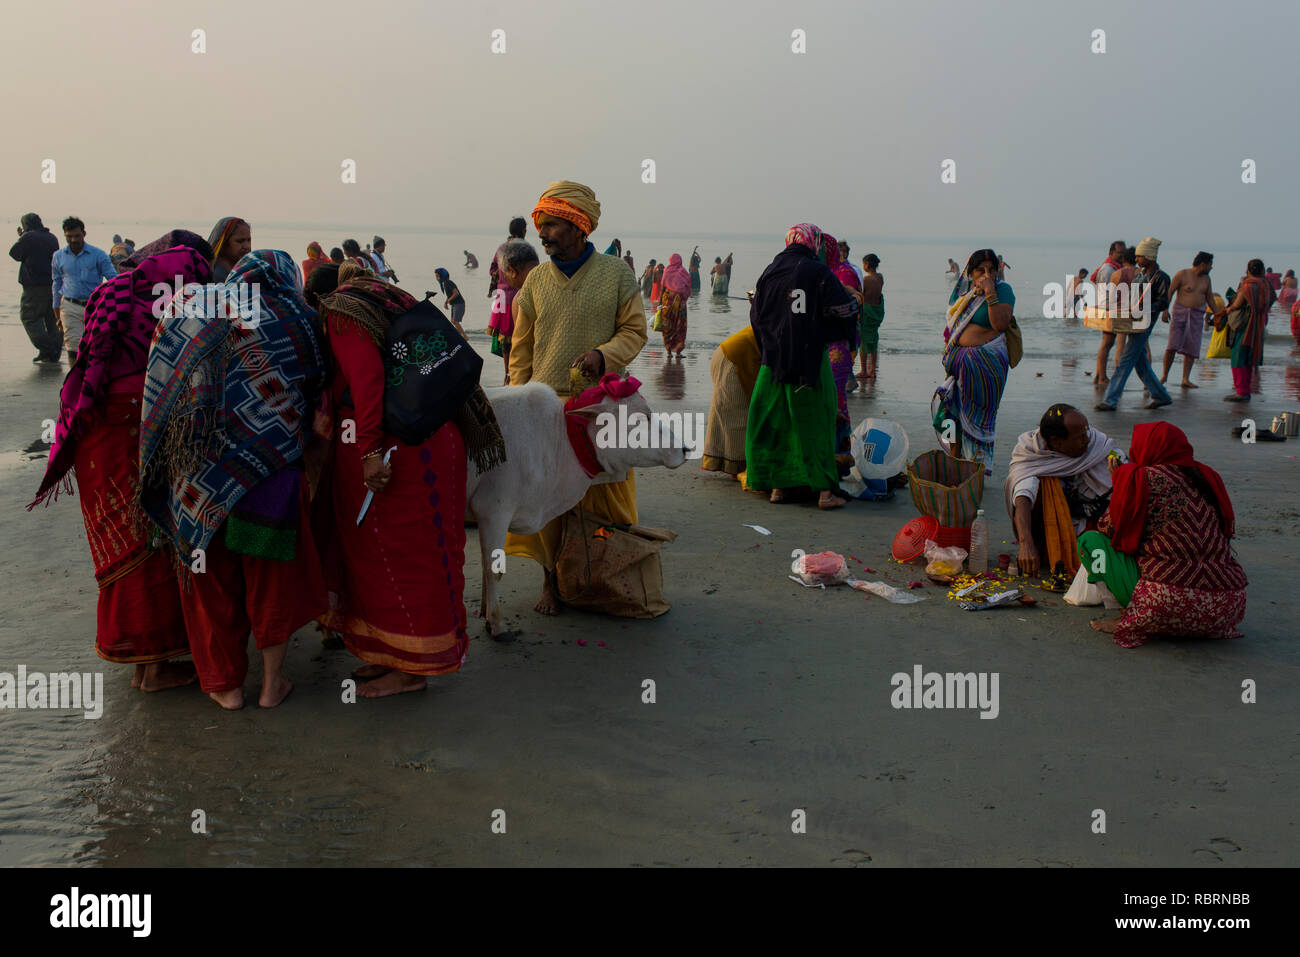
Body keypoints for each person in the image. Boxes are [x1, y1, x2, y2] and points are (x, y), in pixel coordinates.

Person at [139, 250, 328, 710]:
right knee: (270, 580)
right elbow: (317, 386)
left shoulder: (190, 308)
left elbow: (159, 382)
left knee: (210, 582)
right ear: (283, 278)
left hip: (199, 480)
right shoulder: (297, 316)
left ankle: (224, 687)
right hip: (268, 475)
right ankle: (271, 686)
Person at [31, 240, 215, 691]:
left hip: (93, 432)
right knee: (149, 538)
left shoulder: (114, 294)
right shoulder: (176, 302)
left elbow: (90, 366)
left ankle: (141, 662)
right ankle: (153, 669)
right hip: (135, 428)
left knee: (120, 541)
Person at [314, 265, 503, 697]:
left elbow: (366, 381)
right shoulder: (385, 300)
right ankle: (390, 654)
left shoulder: (341, 312)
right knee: (403, 553)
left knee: (401, 556)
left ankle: (412, 671)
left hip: (401, 452)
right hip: (432, 436)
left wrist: (369, 453)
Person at [506, 180, 648, 615]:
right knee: (546, 498)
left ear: (578, 226)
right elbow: (521, 351)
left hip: (601, 405)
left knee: (603, 493)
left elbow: (636, 331)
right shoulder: (534, 285)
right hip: (546, 408)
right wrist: (515, 403)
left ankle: (602, 575)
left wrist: (603, 356)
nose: (544, 234)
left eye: (552, 225)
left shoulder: (617, 274)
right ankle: (551, 582)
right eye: (541, 225)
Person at [1080, 423, 1246, 648]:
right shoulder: (1207, 476)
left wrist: (1119, 484)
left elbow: (1109, 528)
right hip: (1225, 608)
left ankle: (1126, 612)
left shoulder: (1140, 478)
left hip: (1165, 604)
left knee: (1090, 541)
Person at [746, 223, 857, 509]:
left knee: (777, 423)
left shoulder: (771, 270)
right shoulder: (817, 272)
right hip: (808, 362)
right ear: (814, 244)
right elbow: (842, 310)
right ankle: (824, 493)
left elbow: (756, 315)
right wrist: (854, 300)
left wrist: (770, 345)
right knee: (814, 424)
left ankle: (778, 488)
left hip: (773, 362)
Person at [1003, 404, 1122, 579]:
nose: (1087, 440)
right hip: (1055, 526)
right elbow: (1023, 494)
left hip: (1093, 519)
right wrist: (1025, 543)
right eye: (1080, 437)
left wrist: (1120, 474)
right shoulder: (1031, 452)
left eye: (1086, 433)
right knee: (1039, 488)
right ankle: (1045, 551)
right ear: (1057, 442)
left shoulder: (1097, 445)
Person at [937, 248, 1015, 474]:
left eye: (991, 270)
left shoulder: (1003, 291)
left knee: (978, 419)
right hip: (957, 367)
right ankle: (954, 460)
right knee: (950, 414)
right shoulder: (962, 293)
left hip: (986, 369)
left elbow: (999, 324)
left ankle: (975, 469)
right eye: (981, 270)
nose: (986, 274)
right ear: (970, 273)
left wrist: (990, 292)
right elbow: (951, 326)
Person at [1095, 237, 1173, 411]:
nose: (1136, 259)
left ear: (1149, 257)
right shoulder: (1140, 275)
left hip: (1144, 322)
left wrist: (1144, 309)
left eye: (1139, 256)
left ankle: (1110, 400)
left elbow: (1163, 302)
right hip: (1132, 319)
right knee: (1140, 362)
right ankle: (1161, 396)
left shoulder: (1162, 278)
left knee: (1125, 360)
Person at [51, 217, 118, 364]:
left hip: (95, 306)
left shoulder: (98, 255)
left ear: (84, 234)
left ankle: (90, 382)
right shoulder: (58, 256)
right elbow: (56, 284)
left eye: (77, 235)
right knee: (73, 348)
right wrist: (56, 311)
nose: (73, 240)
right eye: (69, 236)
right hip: (69, 306)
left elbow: (113, 279)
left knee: (95, 348)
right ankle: (74, 384)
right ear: (65, 235)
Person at [701, 325, 760, 477]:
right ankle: (738, 468)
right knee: (739, 417)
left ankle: (724, 462)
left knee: (722, 412)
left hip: (726, 354)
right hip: (734, 360)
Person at [1212, 259, 1275, 401]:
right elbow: (1271, 300)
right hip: (1259, 323)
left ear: (1248, 270)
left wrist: (1224, 311)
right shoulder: (1266, 285)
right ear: (1262, 270)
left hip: (1245, 325)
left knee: (1238, 356)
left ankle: (1241, 392)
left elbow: (1237, 304)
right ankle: (1245, 391)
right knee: (1249, 357)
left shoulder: (1248, 285)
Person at [823, 235, 860, 458]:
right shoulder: (825, 274)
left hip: (836, 346)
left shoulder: (842, 273)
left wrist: (851, 293)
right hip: (830, 346)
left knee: (835, 402)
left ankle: (837, 454)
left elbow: (853, 305)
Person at [9, 213, 63, 363]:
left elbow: (14, 253)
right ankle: (53, 352)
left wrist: (23, 236)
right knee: (51, 319)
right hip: (53, 284)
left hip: (34, 286)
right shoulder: (52, 237)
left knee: (30, 318)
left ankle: (47, 348)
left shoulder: (28, 237)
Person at [1161, 252, 1215, 389]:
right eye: (1210, 265)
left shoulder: (1207, 279)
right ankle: (1164, 375)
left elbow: (1210, 298)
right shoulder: (1182, 274)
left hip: (1197, 316)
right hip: (1180, 313)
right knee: (1172, 345)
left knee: (1191, 347)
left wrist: (1219, 315)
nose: (1211, 268)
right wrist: (1165, 310)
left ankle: (1185, 379)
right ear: (1203, 264)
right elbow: (1170, 292)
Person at [489, 239, 540, 384]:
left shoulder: (521, 298)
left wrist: (515, 387)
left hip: (536, 378)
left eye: (505, 273)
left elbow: (521, 353)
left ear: (512, 271)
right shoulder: (551, 282)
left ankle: (507, 376)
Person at [1091, 240, 1126, 383]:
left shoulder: (1111, 268)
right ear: (1111, 253)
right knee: (1107, 343)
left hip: (1108, 308)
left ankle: (1099, 375)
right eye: (1119, 253)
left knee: (1107, 343)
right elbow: (1107, 293)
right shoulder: (1108, 269)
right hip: (1108, 309)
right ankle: (1102, 377)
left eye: (1123, 253)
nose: (1121, 256)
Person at [858, 254, 884, 380]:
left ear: (867, 264)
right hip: (877, 313)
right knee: (873, 341)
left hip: (868, 314)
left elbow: (860, 295)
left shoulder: (865, 280)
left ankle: (863, 370)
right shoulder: (880, 277)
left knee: (863, 342)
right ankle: (872, 370)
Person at [659, 253, 690, 357]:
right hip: (679, 303)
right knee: (679, 326)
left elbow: (663, 288)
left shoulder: (666, 271)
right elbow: (687, 287)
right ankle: (678, 352)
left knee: (667, 326)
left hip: (667, 302)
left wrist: (660, 303)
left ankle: (668, 352)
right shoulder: (683, 272)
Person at [489, 216, 528, 296]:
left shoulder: (501, 248)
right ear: (524, 231)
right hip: (519, 298)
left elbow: (492, 270)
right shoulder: (526, 250)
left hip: (501, 297)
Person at [206, 217, 251, 282]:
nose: (247, 246)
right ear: (223, 244)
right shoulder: (217, 276)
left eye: (249, 240)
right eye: (240, 241)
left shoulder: (241, 272)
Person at [432, 267, 467, 335]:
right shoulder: (445, 283)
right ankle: (459, 334)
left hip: (459, 304)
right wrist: (446, 302)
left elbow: (456, 293)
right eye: (436, 276)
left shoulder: (448, 282)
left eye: (437, 276)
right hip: (454, 304)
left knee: (455, 321)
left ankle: (464, 336)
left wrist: (448, 301)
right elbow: (450, 295)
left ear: (442, 276)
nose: (436, 278)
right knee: (453, 321)